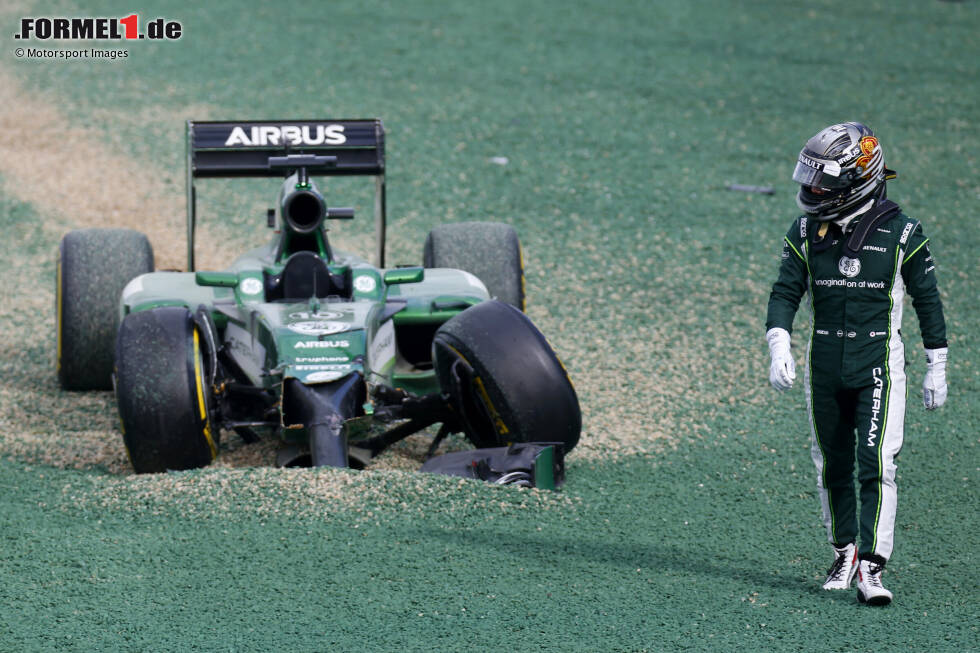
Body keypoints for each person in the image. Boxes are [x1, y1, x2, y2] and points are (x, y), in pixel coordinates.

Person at [765, 122, 948, 606]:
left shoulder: (904, 233)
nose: (812, 190)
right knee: (830, 463)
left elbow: (928, 302)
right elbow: (785, 290)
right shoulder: (805, 229)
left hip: (878, 367)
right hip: (824, 364)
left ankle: (872, 565)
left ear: (856, 180)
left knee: (877, 463)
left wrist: (938, 364)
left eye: (822, 181)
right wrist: (778, 342)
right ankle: (843, 550)